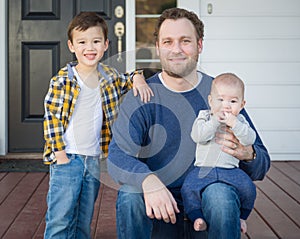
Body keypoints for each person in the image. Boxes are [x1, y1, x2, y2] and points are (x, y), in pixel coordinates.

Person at [107, 7, 270, 239]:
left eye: (185, 41)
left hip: (206, 209)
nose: (176, 49)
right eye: (168, 41)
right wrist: (148, 180)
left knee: (220, 194)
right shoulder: (141, 97)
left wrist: (248, 154)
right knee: (130, 194)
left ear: (199, 45)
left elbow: (262, 163)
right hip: (160, 206)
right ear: (158, 47)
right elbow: (117, 156)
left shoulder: (221, 94)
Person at [43, 12, 153, 239]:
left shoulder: (109, 76)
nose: (89, 48)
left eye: (95, 41)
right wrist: (60, 154)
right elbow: (51, 117)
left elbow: (128, 78)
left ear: (106, 45)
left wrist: (139, 76)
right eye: (82, 42)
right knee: (60, 217)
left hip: (93, 159)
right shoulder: (63, 80)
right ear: (72, 46)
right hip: (68, 158)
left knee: (84, 217)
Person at [181, 73, 257, 234]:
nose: (226, 106)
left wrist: (235, 124)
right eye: (220, 100)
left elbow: (250, 139)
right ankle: (197, 217)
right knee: (188, 188)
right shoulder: (204, 116)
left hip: (230, 171)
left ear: (242, 105)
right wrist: (215, 121)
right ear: (210, 101)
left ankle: (241, 217)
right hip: (203, 170)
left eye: (233, 101)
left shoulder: (240, 121)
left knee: (249, 188)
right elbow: (198, 135)